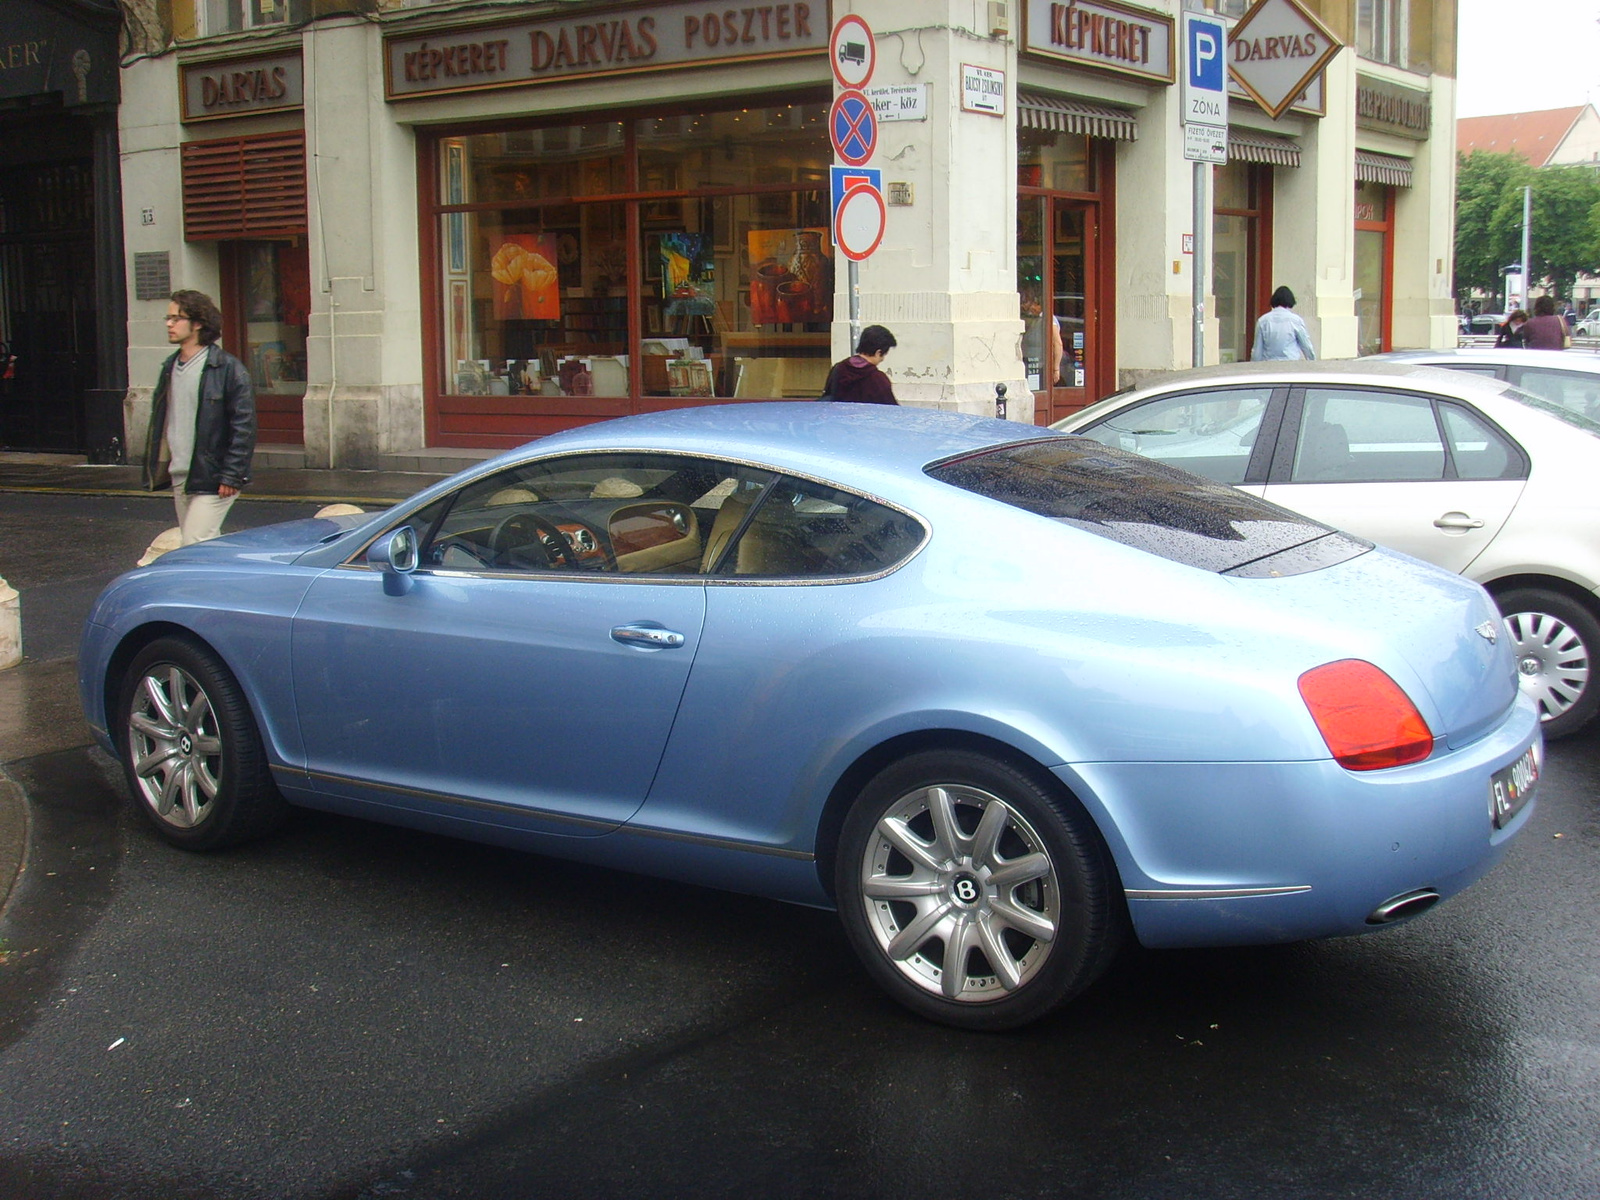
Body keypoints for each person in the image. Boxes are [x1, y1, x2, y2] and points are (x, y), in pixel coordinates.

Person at [143, 289, 257, 545]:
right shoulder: (170, 367)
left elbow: (244, 426)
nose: (169, 324)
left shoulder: (227, 368)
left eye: (176, 318)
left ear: (198, 323)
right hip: (181, 472)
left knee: (195, 541)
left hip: (214, 475)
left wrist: (231, 475)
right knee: (201, 546)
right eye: (168, 318)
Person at [820, 325, 898, 404]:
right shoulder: (878, 380)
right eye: (884, 355)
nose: (882, 359)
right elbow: (892, 411)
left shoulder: (838, 368)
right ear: (878, 352)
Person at [1251, 286, 1316, 361]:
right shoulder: (1296, 321)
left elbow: (1257, 352)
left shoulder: (1262, 321)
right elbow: (1306, 346)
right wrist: (1312, 362)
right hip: (1290, 364)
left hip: (1269, 365)